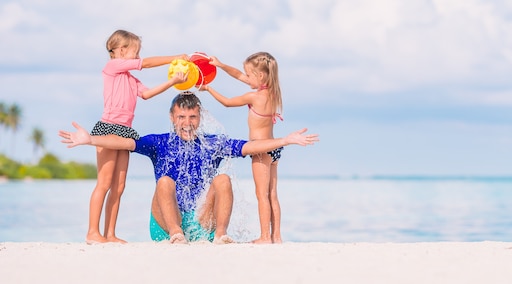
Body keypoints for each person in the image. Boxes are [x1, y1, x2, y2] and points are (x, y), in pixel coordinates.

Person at [59, 92, 319, 244]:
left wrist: (285, 140)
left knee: (223, 179)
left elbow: (249, 147)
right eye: (181, 117)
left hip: (202, 222)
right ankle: (176, 234)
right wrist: (90, 140)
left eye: (192, 117)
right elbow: (125, 142)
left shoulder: (211, 143)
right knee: (164, 182)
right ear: (172, 118)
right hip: (164, 225)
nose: (187, 122)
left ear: (200, 117)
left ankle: (220, 236)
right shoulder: (158, 142)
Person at [87, 29, 189, 244]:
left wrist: (172, 82)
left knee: (119, 186)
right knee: (104, 183)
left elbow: (146, 94)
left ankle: (110, 234)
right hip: (108, 127)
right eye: (135, 52)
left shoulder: (130, 79)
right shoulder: (112, 67)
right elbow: (146, 63)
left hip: (125, 130)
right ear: (121, 50)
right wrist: (175, 58)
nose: (137, 56)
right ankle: (92, 233)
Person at [199, 52, 286, 244]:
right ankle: (276, 236)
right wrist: (220, 65)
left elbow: (227, 103)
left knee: (261, 194)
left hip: (260, 149)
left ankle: (264, 236)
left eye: (250, 75)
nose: (246, 78)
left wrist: (209, 89)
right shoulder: (273, 92)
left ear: (261, 76)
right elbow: (238, 75)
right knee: (272, 194)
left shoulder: (254, 97)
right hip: (274, 149)